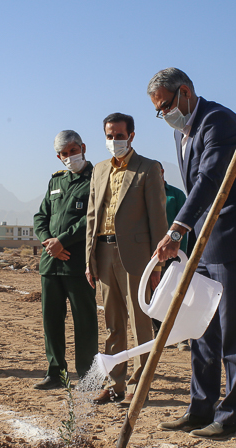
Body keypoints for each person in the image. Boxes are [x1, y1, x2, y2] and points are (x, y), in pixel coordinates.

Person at [147, 68, 236, 439]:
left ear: (184, 92)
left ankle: (233, 414)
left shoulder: (219, 122)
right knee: (199, 326)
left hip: (231, 237)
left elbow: (210, 180)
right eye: (158, 110)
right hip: (202, 241)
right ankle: (200, 408)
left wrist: (176, 229)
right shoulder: (182, 132)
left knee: (233, 329)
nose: (163, 114)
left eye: (165, 105)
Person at [85, 112, 167, 406]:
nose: (114, 140)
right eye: (109, 136)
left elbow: (158, 218)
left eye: (119, 135)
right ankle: (114, 384)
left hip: (135, 257)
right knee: (113, 324)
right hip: (103, 252)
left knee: (140, 323)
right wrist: (89, 260)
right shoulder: (99, 169)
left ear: (131, 136)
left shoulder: (147, 168)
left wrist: (157, 264)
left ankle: (139, 385)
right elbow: (91, 216)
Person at [32, 130, 99, 390]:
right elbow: (41, 217)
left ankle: (87, 376)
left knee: (84, 322)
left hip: (78, 264)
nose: (70, 157)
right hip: (51, 263)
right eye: (64, 154)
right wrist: (49, 242)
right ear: (58, 157)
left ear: (83, 147)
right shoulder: (56, 181)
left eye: (73, 151)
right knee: (51, 321)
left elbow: (92, 217)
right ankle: (56, 373)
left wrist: (63, 241)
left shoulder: (96, 178)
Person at [152, 164, 190, 352]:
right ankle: (160, 334)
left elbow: (186, 225)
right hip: (153, 256)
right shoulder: (146, 196)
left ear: (162, 173)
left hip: (174, 256)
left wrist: (180, 253)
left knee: (177, 295)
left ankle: (181, 337)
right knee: (155, 295)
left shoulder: (176, 195)